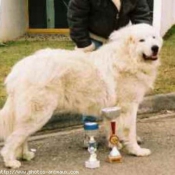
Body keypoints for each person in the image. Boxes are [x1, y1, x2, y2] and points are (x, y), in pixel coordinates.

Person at [67, 0, 152, 52]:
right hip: (92, 41)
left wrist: (146, 40)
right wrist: (84, 45)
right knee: (88, 77)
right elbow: (76, 19)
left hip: (119, 42)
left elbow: (142, 16)